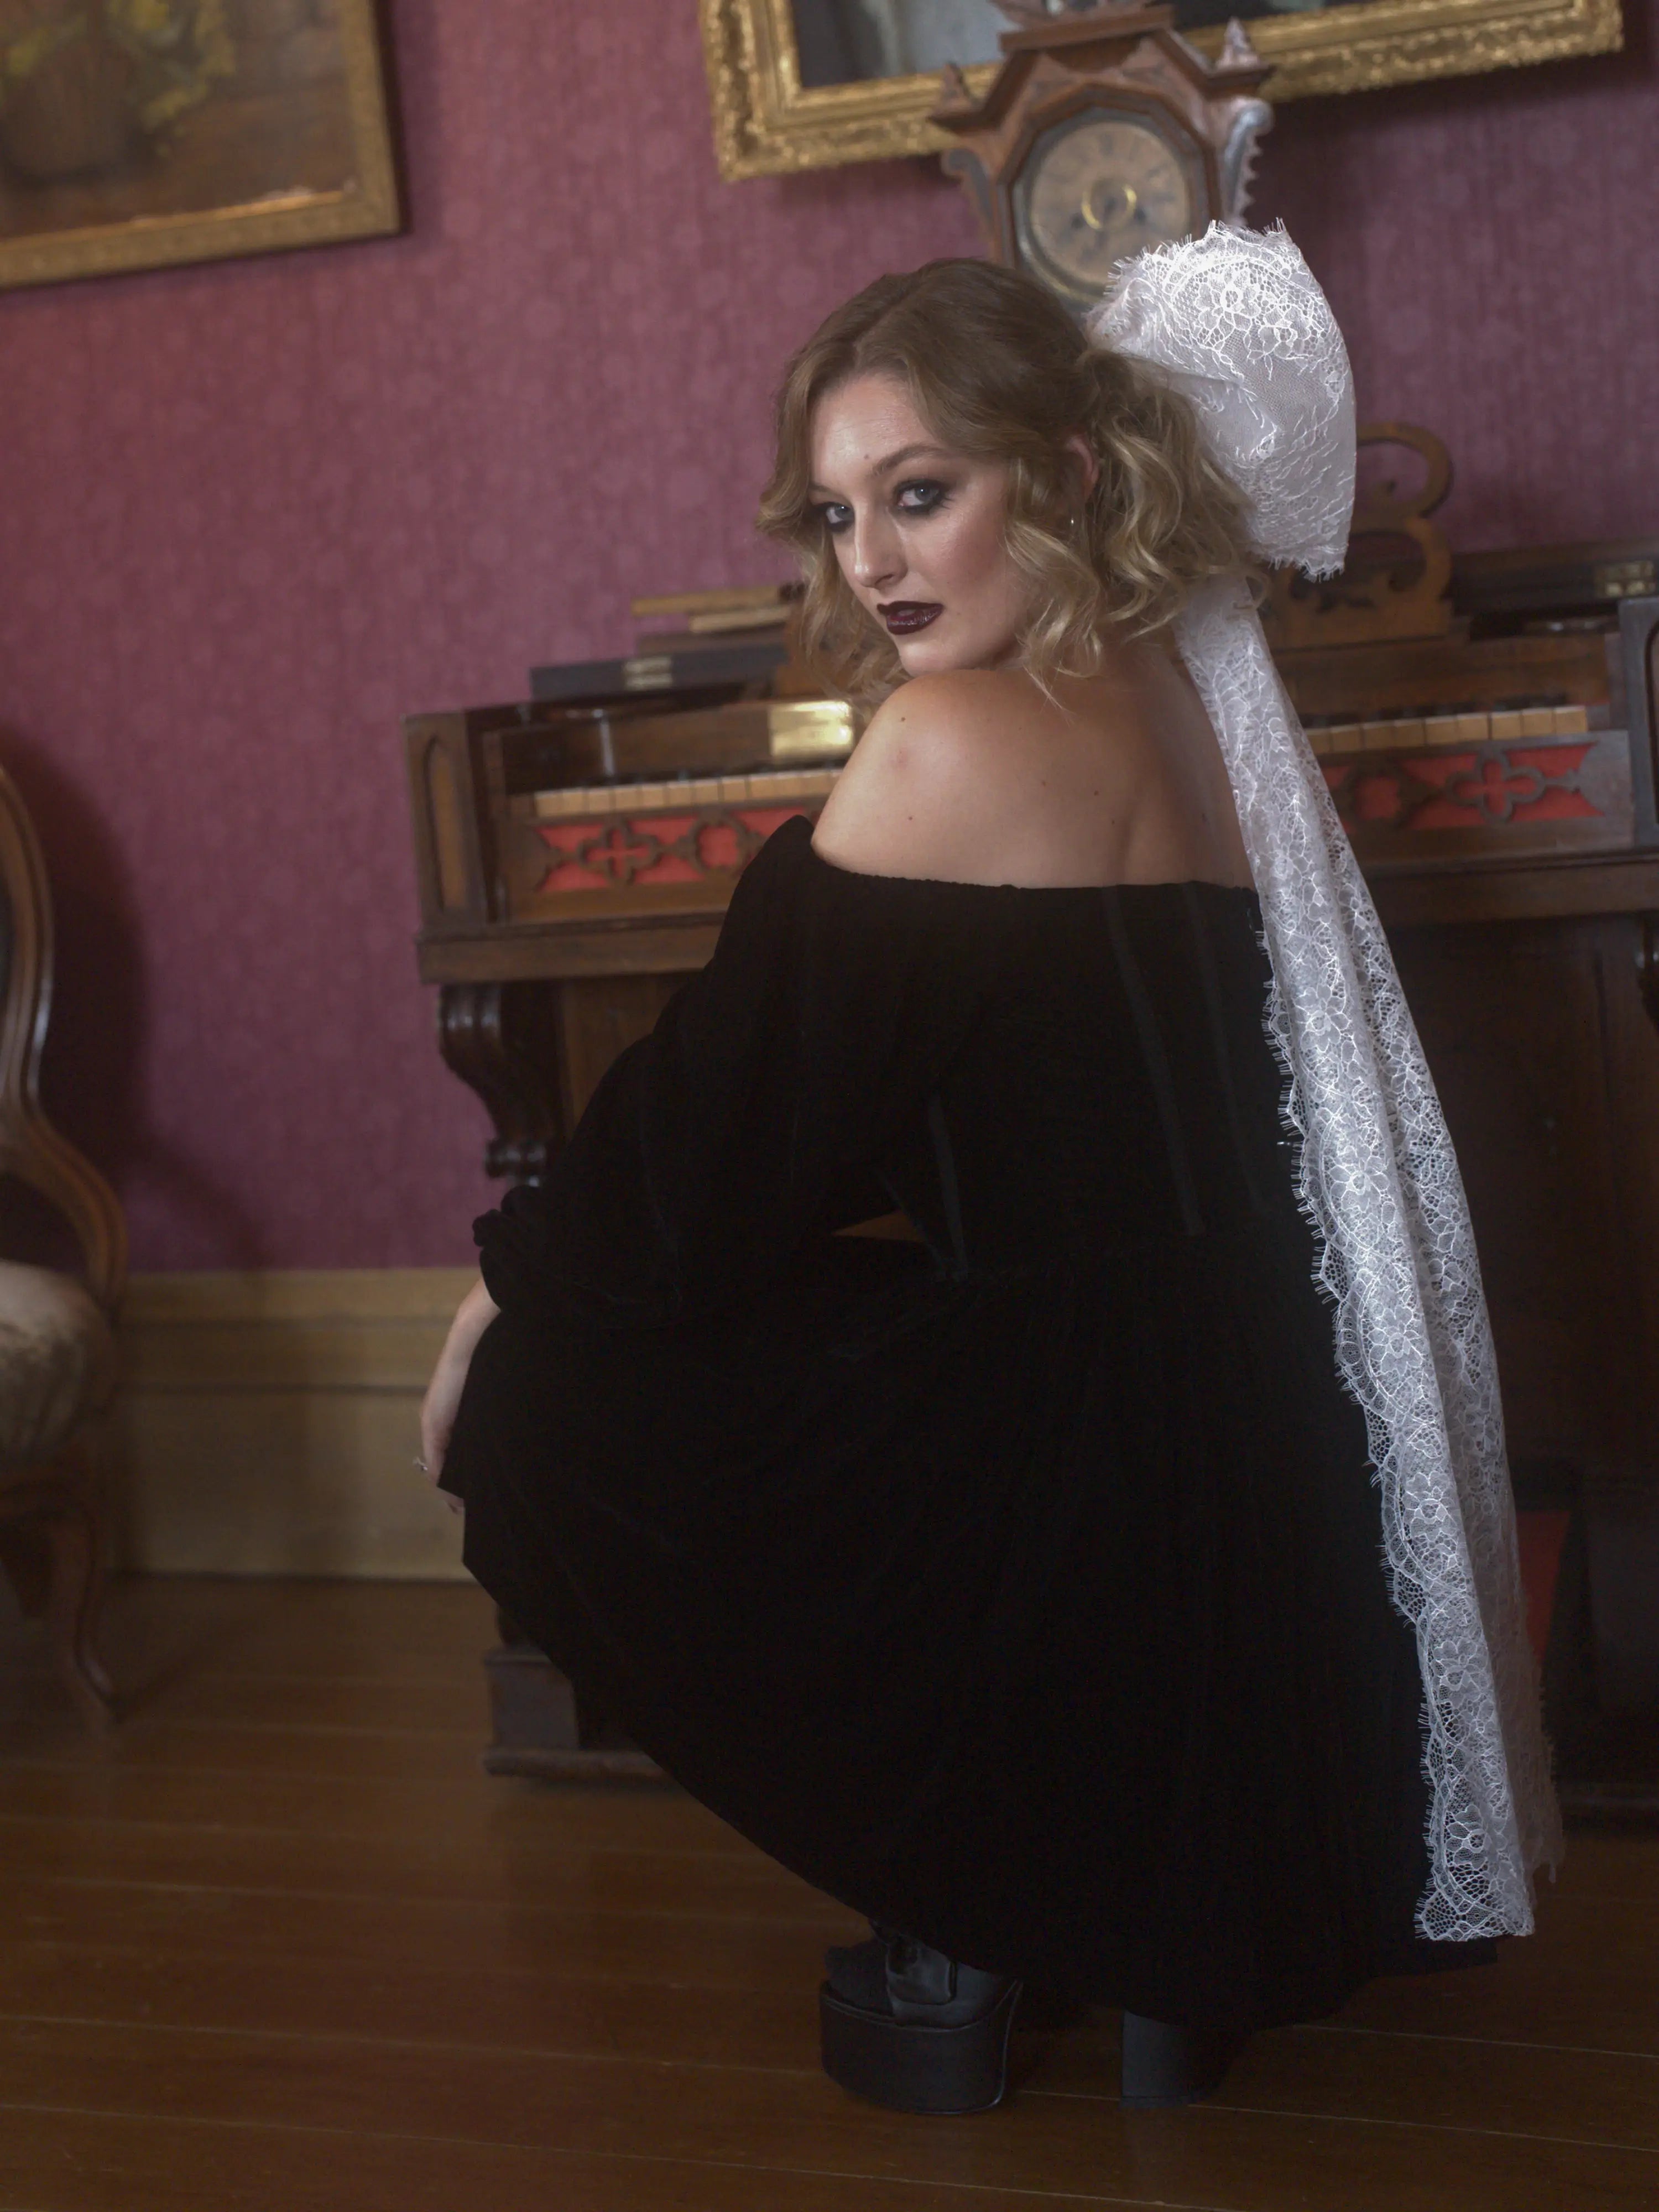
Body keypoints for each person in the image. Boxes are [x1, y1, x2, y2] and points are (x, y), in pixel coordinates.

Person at [420, 229, 1558, 2117]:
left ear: (1080, 473)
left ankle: (964, 1900)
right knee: (827, 1304)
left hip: (1075, 1457)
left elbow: (716, 1147)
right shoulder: (1200, 717)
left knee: (553, 1388)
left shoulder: (947, 738)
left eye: (922, 494)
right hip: (1265, 1437)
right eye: (839, 513)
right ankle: (1136, 1947)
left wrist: (491, 1297)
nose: (870, 562)